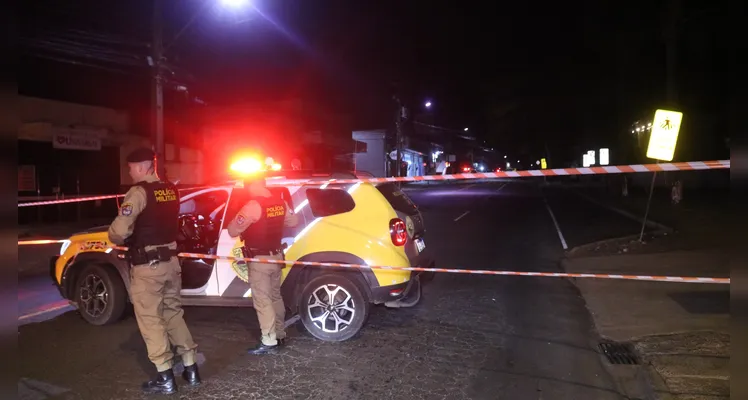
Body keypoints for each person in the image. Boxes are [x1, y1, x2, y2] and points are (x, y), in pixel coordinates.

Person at [108, 147, 200, 395]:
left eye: (130, 168)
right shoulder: (171, 190)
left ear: (141, 167)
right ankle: (191, 368)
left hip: (148, 267)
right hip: (171, 264)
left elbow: (119, 231)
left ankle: (165, 377)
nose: (129, 172)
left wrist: (113, 234)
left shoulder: (138, 193)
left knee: (151, 319)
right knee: (173, 313)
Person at [226, 173, 299, 354]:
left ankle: (268, 341)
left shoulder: (253, 205)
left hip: (260, 260)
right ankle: (280, 334)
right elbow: (294, 220)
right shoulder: (280, 202)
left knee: (262, 300)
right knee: (275, 296)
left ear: (251, 186)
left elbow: (233, 230)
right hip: (276, 257)